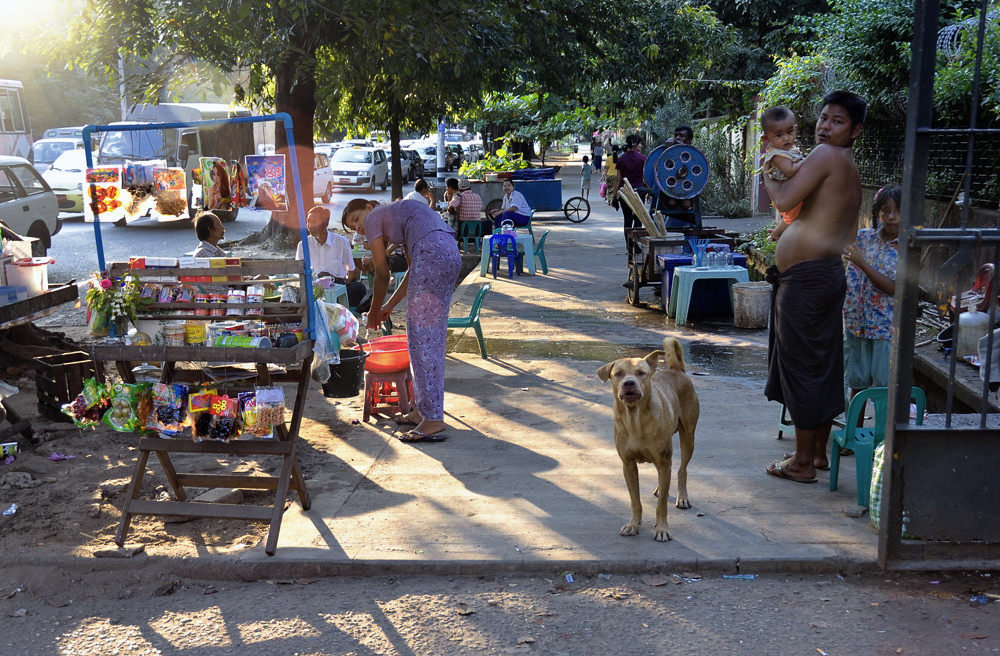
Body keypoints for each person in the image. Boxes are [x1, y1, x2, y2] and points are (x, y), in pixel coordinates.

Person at [763, 89, 867, 484]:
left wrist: (767, 169)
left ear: (855, 130)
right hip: (823, 275)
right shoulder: (844, 162)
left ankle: (803, 463)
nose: (825, 126)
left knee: (804, 367)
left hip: (807, 280)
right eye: (823, 118)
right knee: (821, 365)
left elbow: (785, 198)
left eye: (837, 121)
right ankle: (817, 453)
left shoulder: (826, 156)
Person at [341, 198, 460, 443]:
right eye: (353, 228)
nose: (358, 228)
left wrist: (373, 312)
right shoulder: (398, 219)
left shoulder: (376, 217)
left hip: (434, 256)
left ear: (369, 208)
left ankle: (433, 419)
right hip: (448, 254)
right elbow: (413, 270)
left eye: (356, 219)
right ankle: (424, 411)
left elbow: (382, 275)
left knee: (423, 341)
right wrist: (388, 306)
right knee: (425, 338)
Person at [843, 185, 900, 422]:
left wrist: (862, 263)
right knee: (857, 384)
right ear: (877, 214)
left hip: (884, 329)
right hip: (856, 323)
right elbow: (844, 229)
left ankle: (883, 444)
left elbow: (893, 288)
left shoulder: (907, 248)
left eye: (897, 211)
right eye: (885, 211)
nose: (891, 217)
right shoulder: (864, 238)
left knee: (883, 389)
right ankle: (852, 434)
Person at [296, 206, 367, 307]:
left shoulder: (341, 242)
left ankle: (334, 304)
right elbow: (299, 272)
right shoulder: (303, 245)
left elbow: (352, 271)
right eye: (308, 222)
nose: (310, 225)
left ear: (326, 223)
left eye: (314, 221)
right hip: (313, 290)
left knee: (359, 288)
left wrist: (341, 287)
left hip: (337, 286)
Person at [759, 106, 805, 242]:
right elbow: (790, 170)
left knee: (793, 216)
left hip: (789, 189)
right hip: (785, 192)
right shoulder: (777, 154)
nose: (786, 138)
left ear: (795, 129)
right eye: (779, 135)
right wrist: (808, 162)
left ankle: (777, 230)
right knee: (792, 216)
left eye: (790, 132)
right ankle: (776, 234)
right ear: (766, 138)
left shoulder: (788, 149)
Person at [612, 135, 647, 248]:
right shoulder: (643, 159)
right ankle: (636, 242)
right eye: (640, 143)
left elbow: (618, 179)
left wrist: (614, 196)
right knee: (638, 218)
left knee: (627, 220)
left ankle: (629, 246)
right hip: (639, 193)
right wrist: (648, 191)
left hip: (625, 193)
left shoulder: (621, 159)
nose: (641, 146)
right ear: (635, 145)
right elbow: (645, 177)